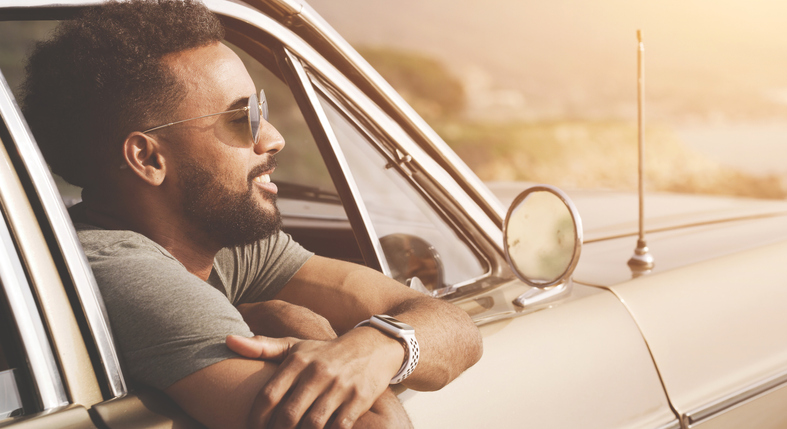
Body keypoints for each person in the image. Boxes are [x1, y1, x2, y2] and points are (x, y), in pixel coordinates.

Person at [20, 1, 483, 428]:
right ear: (148, 159)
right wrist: (310, 330)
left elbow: (459, 332)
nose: (273, 138)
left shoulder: (219, 237)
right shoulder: (121, 271)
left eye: (261, 110)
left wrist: (377, 347)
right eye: (243, 119)